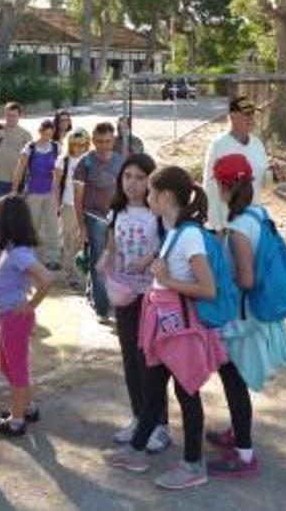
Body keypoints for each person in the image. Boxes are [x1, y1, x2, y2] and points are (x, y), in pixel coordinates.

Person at [107, 165, 227, 491]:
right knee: (153, 388)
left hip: (182, 331)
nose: (146, 196)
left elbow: (207, 288)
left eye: (150, 192)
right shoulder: (174, 230)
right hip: (166, 327)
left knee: (187, 393)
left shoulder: (188, 235)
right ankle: (136, 450)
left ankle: (192, 464)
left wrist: (166, 279)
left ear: (165, 197)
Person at [203, 154, 286, 479]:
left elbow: (245, 279)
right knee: (236, 378)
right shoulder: (259, 214)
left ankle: (244, 455)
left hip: (244, 316)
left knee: (234, 379)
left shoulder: (239, 228)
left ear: (221, 185)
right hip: (257, 310)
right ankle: (236, 431)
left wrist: (218, 273)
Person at [101, 154, 172, 454]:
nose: (132, 183)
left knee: (151, 360)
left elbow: (171, 251)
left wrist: (151, 260)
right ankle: (138, 417)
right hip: (124, 294)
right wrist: (107, 261)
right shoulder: (116, 211)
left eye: (140, 177)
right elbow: (112, 246)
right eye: (127, 176)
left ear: (151, 181)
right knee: (130, 357)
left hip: (153, 297)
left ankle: (160, 426)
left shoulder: (160, 214)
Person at [0, 195, 54, 437]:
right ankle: (26, 406)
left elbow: (46, 279)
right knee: (9, 365)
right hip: (9, 318)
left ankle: (16, 420)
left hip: (15, 319)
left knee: (16, 368)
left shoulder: (18, 253)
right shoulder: (14, 249)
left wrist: (30, 305)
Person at [73, 122, 125, 324]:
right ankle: (102, 309)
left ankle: (99, 295)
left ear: (113, 140)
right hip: (93, 218)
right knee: (97, 262)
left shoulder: (121, 161)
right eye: (100, 142)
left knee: (114, 261)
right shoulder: (84, 163)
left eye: (109, 141)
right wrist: (81, 226)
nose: (104, 146)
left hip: (116, 218)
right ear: (93, 141)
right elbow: (78, 197)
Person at [202, 96, 278, 231]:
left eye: (252, 114)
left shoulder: (257, 144)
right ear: (232, 117)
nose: (250, 119)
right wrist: (216, 226)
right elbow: (210, 187)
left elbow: (265, 185)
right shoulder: (218, 146)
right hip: (226, 221)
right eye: (245, 114)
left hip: (252, 219)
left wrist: (275, 175)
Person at [12, 119, 62, 270]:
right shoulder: (30, 147)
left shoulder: (56, 147)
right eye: (45, 134)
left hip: (51, 192)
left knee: (52, 226)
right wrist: (14, 188)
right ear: (40, 131)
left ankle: (52, 259)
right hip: (33, 192)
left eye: (50, 134)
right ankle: (28, 257)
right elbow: (20, 169)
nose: (47, 137)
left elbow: (61, 169)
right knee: (32, 225)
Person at [53, 128, 90, 290]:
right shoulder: (63, 160)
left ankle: (84, 273)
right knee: (69, 240)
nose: (79, 148)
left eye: (83, 145)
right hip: (69, 205)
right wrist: (56, 205)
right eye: (76, 145)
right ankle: (71, 274)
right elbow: (56, 184)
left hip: (88, 206)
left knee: (83, 241)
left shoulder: (90, 160)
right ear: (70, 144)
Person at [0, 102, 32, 208]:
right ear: (4, 115)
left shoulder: (25, 135)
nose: (11, 118)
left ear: (19, 116)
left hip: (16, 183)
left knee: (14, 217)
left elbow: (29, 162)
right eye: (8, 115)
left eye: (14, 116)